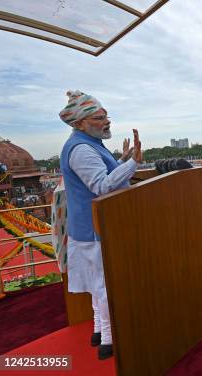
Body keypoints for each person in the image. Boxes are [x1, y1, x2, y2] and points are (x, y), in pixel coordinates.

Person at [59, 90, 142, 360]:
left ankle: (99, 330)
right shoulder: (82, 149)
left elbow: (101, 175)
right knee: (104, 285)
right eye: (100, 117)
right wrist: (132, 163)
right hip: (94, 230)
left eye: (107, 116)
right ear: (80, 123)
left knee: (97, 284)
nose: (107, 121)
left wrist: (120, 161)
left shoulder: (85, 144)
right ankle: (109, 339)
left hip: (88, 228)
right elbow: (101, 186)